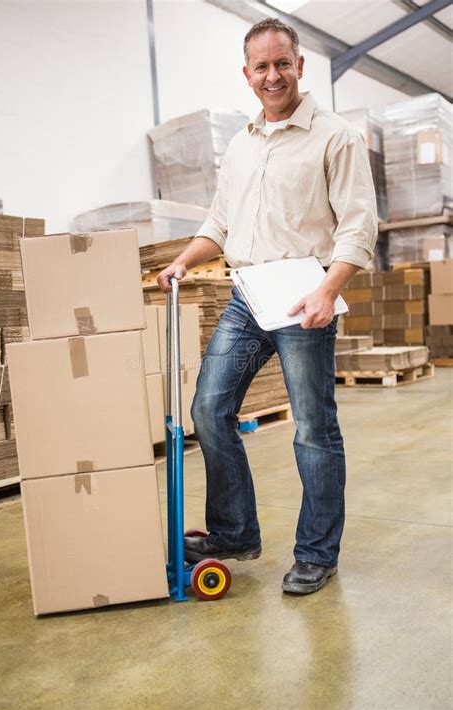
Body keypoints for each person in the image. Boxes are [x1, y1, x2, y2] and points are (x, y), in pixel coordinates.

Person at [157, 18, 377, 595]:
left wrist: (328, 291)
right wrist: (184, 260)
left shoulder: (336, 136)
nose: (273, 75)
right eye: (262, 67)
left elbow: (359, 226)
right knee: (208, 409)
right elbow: (221, 224)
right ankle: (235, 533)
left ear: (300, 66)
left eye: (283, 63)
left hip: (305, 296)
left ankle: (317, 553)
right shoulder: (241, 142)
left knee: (312, 428)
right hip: (248, 295)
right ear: (247, 74)